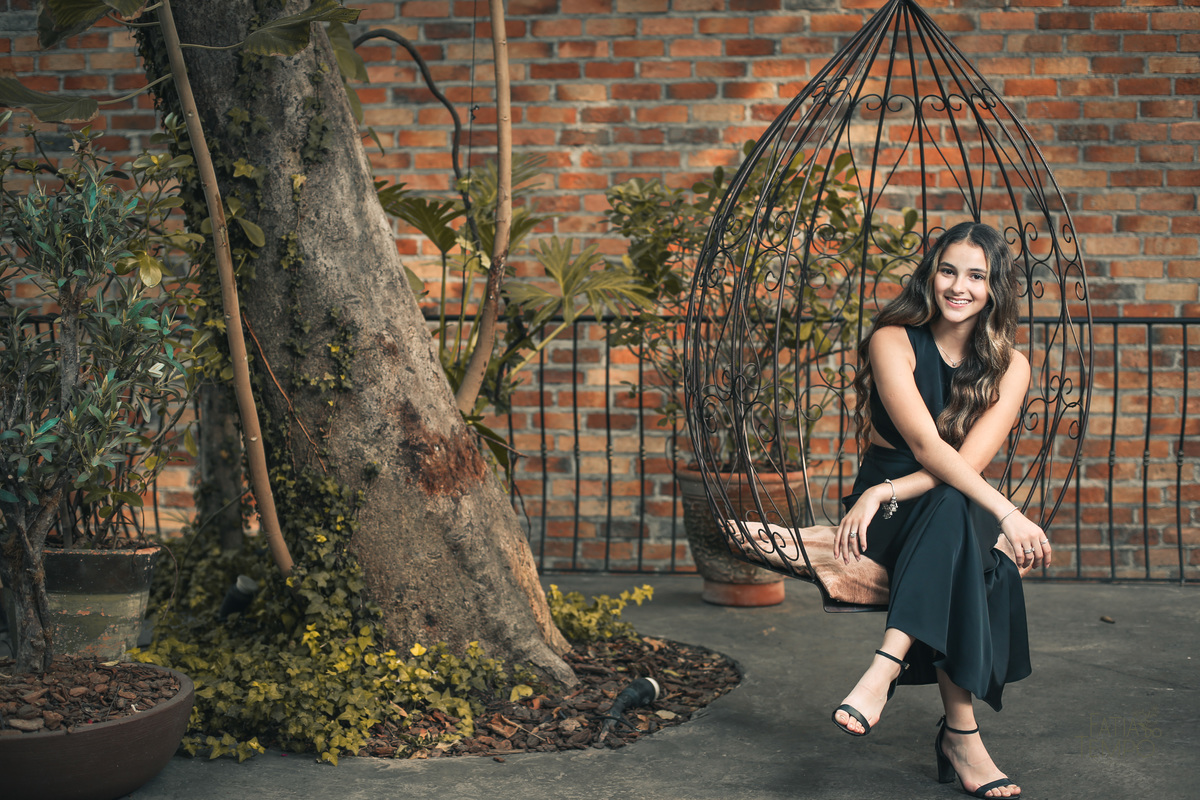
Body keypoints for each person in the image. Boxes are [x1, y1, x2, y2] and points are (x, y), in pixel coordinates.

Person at [828, 221, 1048, 800]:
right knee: (969, 532)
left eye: (976, 276)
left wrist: (894, 491)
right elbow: (928, 448)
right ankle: (962, 734)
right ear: (931, 273)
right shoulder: (893, 339)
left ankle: (885, 667)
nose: (959, 286)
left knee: (955, 501)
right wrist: (1008, 514)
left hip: (928, 499)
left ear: (995, 288)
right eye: (948, 270)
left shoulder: (1011, 366)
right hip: (884, 518)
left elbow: (966, 464)